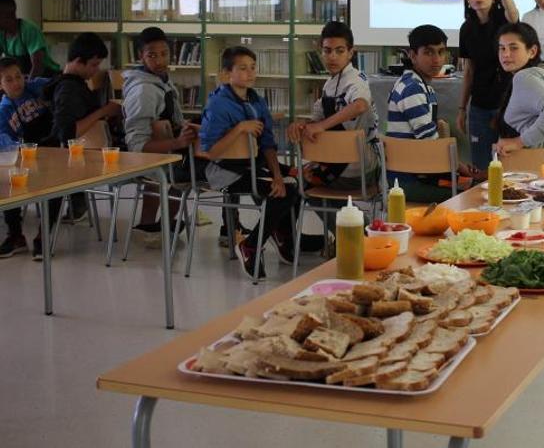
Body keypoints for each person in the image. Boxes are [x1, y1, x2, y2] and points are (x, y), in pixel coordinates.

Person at [122, 26, 235, 248]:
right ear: (140, 57)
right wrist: (177, 142)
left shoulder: (162, 81)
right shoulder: (144, 90)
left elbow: (171, 120)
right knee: (224, 164)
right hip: (156, 158)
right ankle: (226, 228)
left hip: (171, 152)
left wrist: (187, 128)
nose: (160, 60)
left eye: (164, 53)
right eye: (152, 55)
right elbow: (136, 146)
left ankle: (164, 224)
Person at [199, 46, 301, 280]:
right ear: (227, 74)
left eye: (253, 67)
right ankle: (252, 246)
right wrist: (238, 129)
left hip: (253, 164)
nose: (250, 73)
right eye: (242, 68)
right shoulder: (218, 104)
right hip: (226, 171)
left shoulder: (257, 100)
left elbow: (267, 143)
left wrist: (277, 175)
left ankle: (282, 234)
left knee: (294, 181)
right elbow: (212, 152)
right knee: (286, 193)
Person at [287, 21, 379, 232]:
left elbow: (360, 105)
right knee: (302, 182)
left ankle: (358, 234)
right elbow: (315, 120)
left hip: (362, 170)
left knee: (301, 185)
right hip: (338, 168)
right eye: (327, 51)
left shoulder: (356, 80)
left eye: (339, 51)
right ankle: (354, 233)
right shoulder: (329, 84)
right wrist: (302, 125)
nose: (333, 57)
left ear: (350, 53)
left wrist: (321, 127)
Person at [40, 32, 123, 252]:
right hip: (63, 155)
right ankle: (45, 238)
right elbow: (66, 132)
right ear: (78, 62)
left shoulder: (64, 82)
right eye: (94, 65)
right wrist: (104, 111)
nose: (96, 70)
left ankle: (76, 206)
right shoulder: (69, 89)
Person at [385, 24, 483, 202]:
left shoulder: (416, 84)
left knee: (476, 182)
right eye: (429, 52)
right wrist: (460, 167)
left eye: (441, 52)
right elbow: (430, 145)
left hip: (418, 174)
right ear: (413, 56)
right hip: (410, 180)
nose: (437, 59)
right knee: (478, 193)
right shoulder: (413, 89)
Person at [457, 0, 519, 170]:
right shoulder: (466, 29)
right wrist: (462, 109)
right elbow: (469, 71)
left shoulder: (504, 22)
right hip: (480, 104)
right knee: (482, 165)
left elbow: (515, 17)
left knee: (511, 165)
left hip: (509, 103)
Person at [493, 22, 544, 156]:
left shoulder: (524, 77)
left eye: (514, 48)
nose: (506, 54)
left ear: (532, 51)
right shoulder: (540, 74)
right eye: (502, 48)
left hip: (543, 161)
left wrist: (519, 142)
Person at [0, 57, 54, 258]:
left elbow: (56, 85)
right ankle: (15, 236)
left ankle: (44, 235)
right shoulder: (4, 110)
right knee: (8, 184)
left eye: (18, 77)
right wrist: (16, 148)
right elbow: (3, 140)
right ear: (0, 84)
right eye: (8, 80)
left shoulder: (34, 87)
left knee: (54, 185)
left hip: (53, 150)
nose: (16, 83)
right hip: (26, 158)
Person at [0, 0, 60, 78]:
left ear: (8, 15)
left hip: (45, 78)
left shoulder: (28, 30)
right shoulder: (2, 34)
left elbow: (38, 66)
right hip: (22, 80)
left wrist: (25, 87)